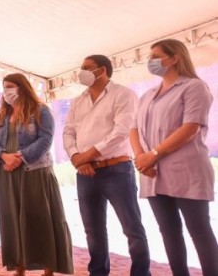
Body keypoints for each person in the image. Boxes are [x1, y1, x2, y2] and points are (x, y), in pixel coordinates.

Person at [132, 38, 218, 276]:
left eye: (155, 56)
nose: (150, 62)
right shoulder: (147, 95)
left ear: (175, 58)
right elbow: (133, 129)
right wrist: (141, 157)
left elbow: (190, 127)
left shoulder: (194, 87)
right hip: (152, 173)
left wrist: (154, 154)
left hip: (186, 170)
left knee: (199, 230)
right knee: (168, 231)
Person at [62, 54, 150, 276]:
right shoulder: (77, 101)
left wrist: (87, 156)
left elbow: (121, 131)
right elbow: (68, 132)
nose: (81, 71)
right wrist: (76, 158)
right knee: (93, 231)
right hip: (85, 173)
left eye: (87, 67)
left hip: (116, 170)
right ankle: (98, 272)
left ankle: (141, 273)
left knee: (132, 228)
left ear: (102, 70)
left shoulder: (123, 94)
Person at [0, 73, 73, 276]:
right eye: (4, 87)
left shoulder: (41, 111)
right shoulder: (0, 115)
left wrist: (20, 157)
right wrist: (5, 156)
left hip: (35, 173)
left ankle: (48, 268)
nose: (6, 91)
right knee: (12, 219)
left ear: (22, 87)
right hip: (5, 174)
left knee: (41, 218)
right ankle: (19, 267)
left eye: (10, 86)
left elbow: (45, 140)